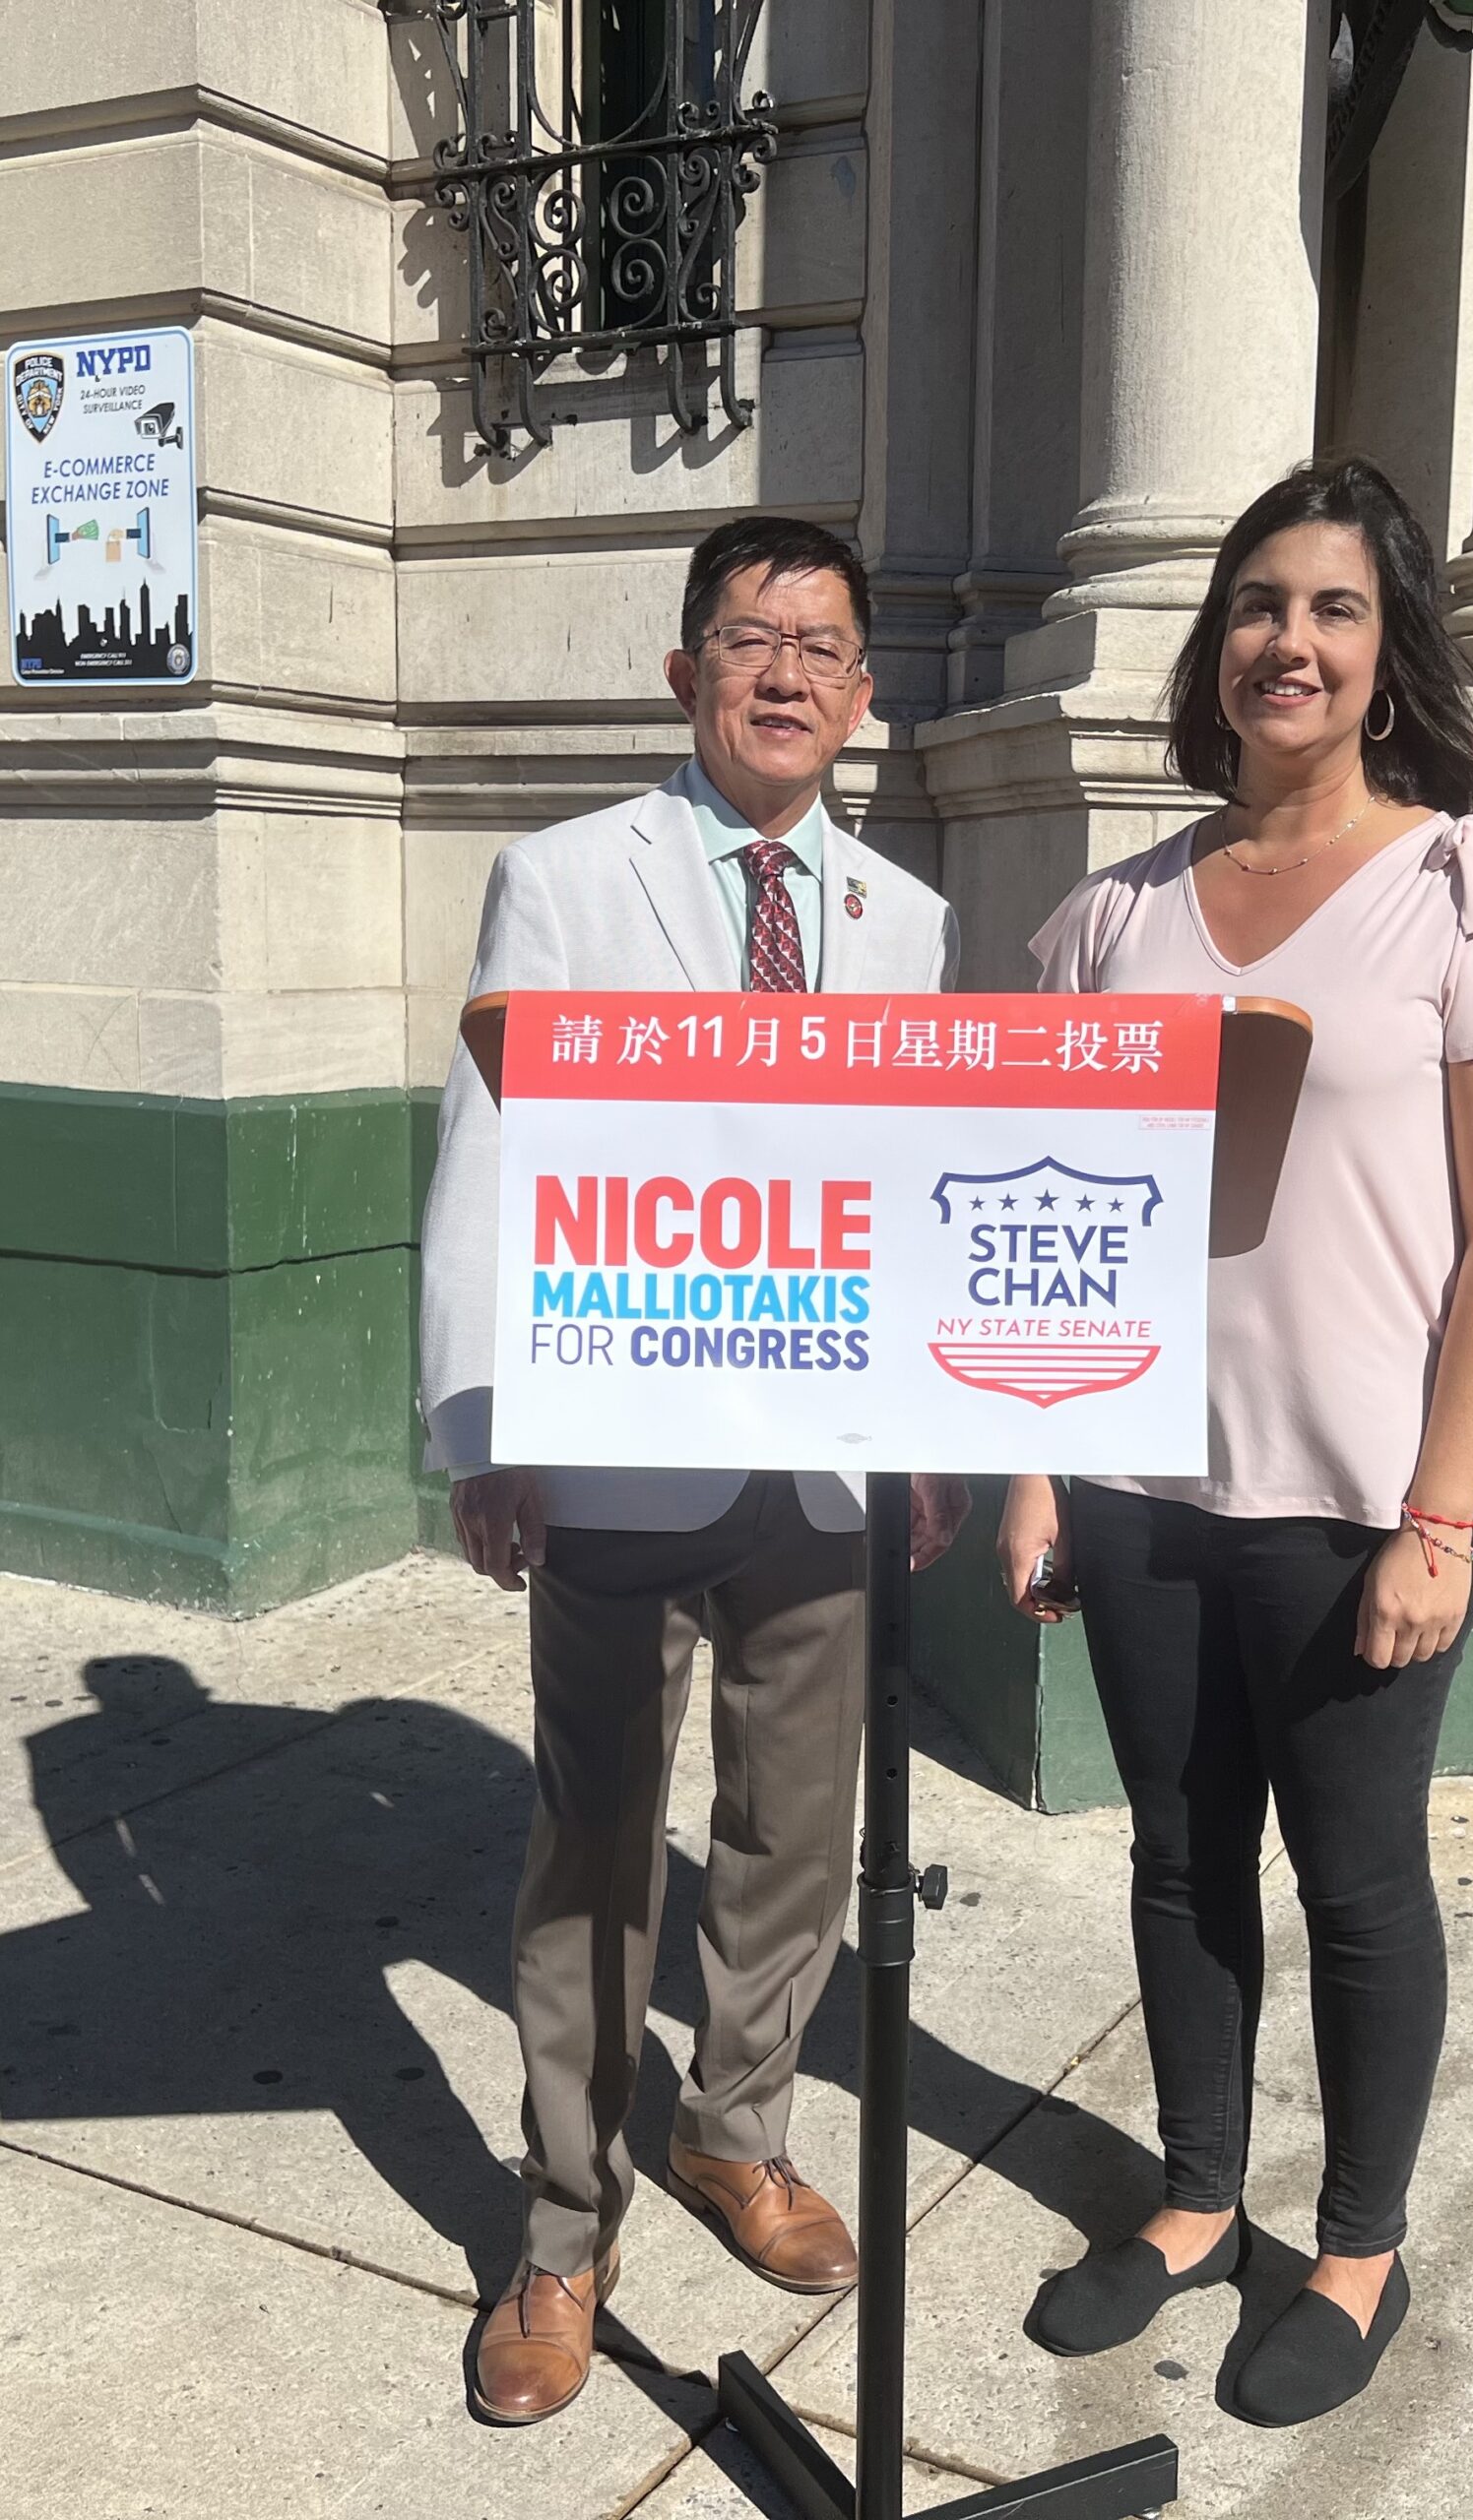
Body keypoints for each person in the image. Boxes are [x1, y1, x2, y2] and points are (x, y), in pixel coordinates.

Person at [997, 456, 1473, 2427]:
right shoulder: (1110, 915)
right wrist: (1025, 1463)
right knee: (1179, 1860)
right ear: (1216, 641)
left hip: (1365, 1497)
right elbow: (1045, 1215)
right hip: (1144, 1481)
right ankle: (1189, 2194)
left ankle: (1354, 2242)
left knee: (1352, 1876)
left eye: (1336, 608)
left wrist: (1439, 1513)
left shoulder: (1466, 889)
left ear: (1386, 651)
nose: (1291, 640)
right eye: (1261, 602)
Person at [419, 516, 965, 2425]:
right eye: (752, 638)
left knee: (793, 1835)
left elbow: (910, 1191)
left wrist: (929, 1431)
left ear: (864, 695)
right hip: (615, 1459)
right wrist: (486, 1423)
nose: (788, 673)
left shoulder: (906, 922)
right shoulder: (565, 879)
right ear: (686, 672)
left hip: (820, 1469)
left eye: (822, 644)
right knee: (590, 1845)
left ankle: (738, 2128)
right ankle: (562, 2226)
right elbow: (493, 1144)